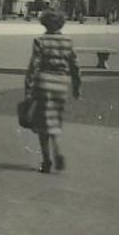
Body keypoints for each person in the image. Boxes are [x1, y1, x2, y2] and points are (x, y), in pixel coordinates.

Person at [24, 9, 82, 173]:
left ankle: (47, 159)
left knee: (42, 123)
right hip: (61, 83)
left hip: (43, 82)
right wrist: (77, 87)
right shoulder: (68, 42)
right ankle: (57, 147)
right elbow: (75, 67)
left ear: (44, 23)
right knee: (54, 118)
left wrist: (28, 87)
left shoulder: (40, 41)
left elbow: (33, 66)